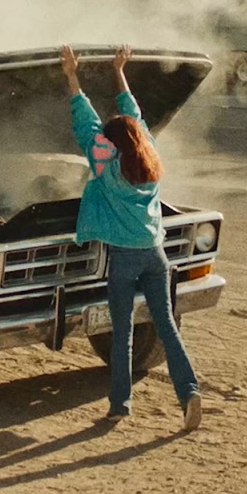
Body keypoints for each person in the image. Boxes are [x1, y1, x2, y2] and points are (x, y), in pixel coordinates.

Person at [59, 45, 202, 432]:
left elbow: (85, 121)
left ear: (111, 145)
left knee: (121, 332)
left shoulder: (106, 166)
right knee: (166, 327)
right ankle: (189, 392)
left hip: (123, 259)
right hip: (156, 255)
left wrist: (71, 75)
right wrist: (119, 70)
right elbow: (133, 114)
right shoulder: (149, 156)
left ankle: (120, 405)